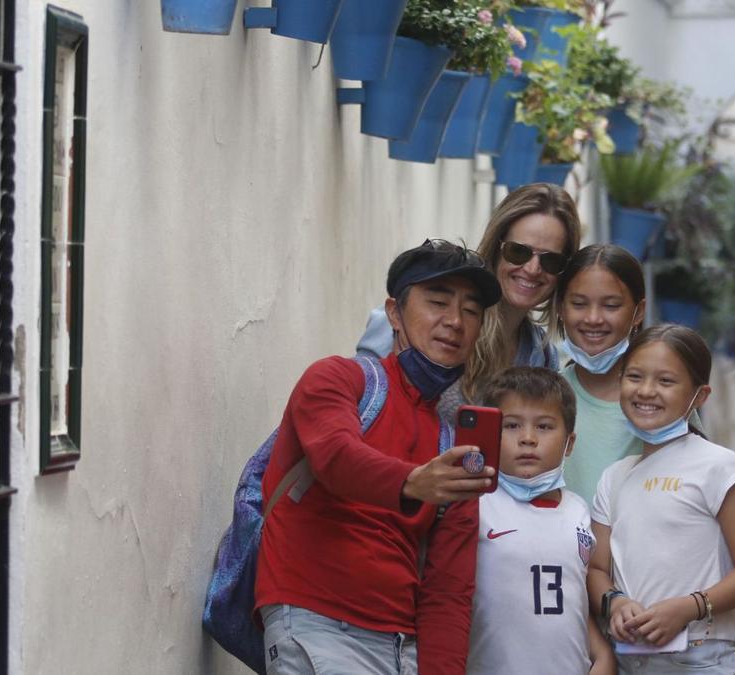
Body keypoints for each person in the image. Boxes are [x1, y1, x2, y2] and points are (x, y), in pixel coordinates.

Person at [255, 240, 502, 675]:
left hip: (402, 649)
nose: (454, 322)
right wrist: (412, 483)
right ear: (394, 313)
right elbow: (337, 457)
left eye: (471, 310)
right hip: (319, 625)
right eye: (438, 302)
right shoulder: (337, 379)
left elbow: (448, 589)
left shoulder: (454, 447)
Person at [587, 325, 735, 673]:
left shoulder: (719, 466)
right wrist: (614, 602)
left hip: (705, 659)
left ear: (700, 396)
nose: (646, 391)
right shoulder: (614, 477)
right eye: (635, 376)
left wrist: (690, 607)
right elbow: (597, 568)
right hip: (632, 659)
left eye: (666, 381)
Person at [357, 184, 583, 420]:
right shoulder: (408, 321)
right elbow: (355, 403)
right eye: (519, 252)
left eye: (551, 261)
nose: (532, 269)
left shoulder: (541, 356)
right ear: (496, 248)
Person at [468, 367, 616, 675]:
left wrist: (601, 655)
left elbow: (568, 597)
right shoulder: (475, 506)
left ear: (570, 443)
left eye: (545, 426)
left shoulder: (578, 512)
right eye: (511, 425)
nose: (528, 438)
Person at [554, 244, 646, 504]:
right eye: (579, 304)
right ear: (560, 308)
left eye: (611, 305)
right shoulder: (546, 395)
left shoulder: (660, 398)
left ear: (638, 312)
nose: (593, 318)